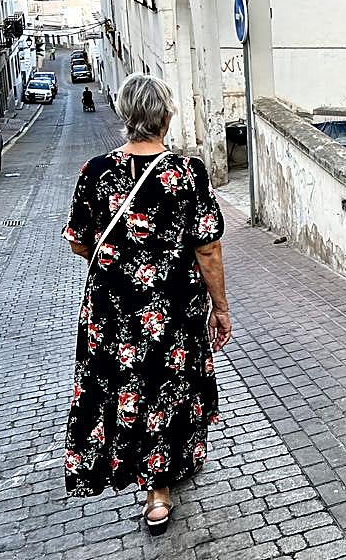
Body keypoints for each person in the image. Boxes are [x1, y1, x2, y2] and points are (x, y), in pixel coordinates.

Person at [62, 73, 231, 533]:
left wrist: (122, 267)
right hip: (174, 309)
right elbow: (208, 247)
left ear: (124, 116)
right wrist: (221, 308)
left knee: (128, 388)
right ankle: (160, 489)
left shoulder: (95, 172)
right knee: (169, 387)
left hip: (113, 310)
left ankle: (137, 472)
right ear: (166, 116)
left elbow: (79, 241)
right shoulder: (188, 172)